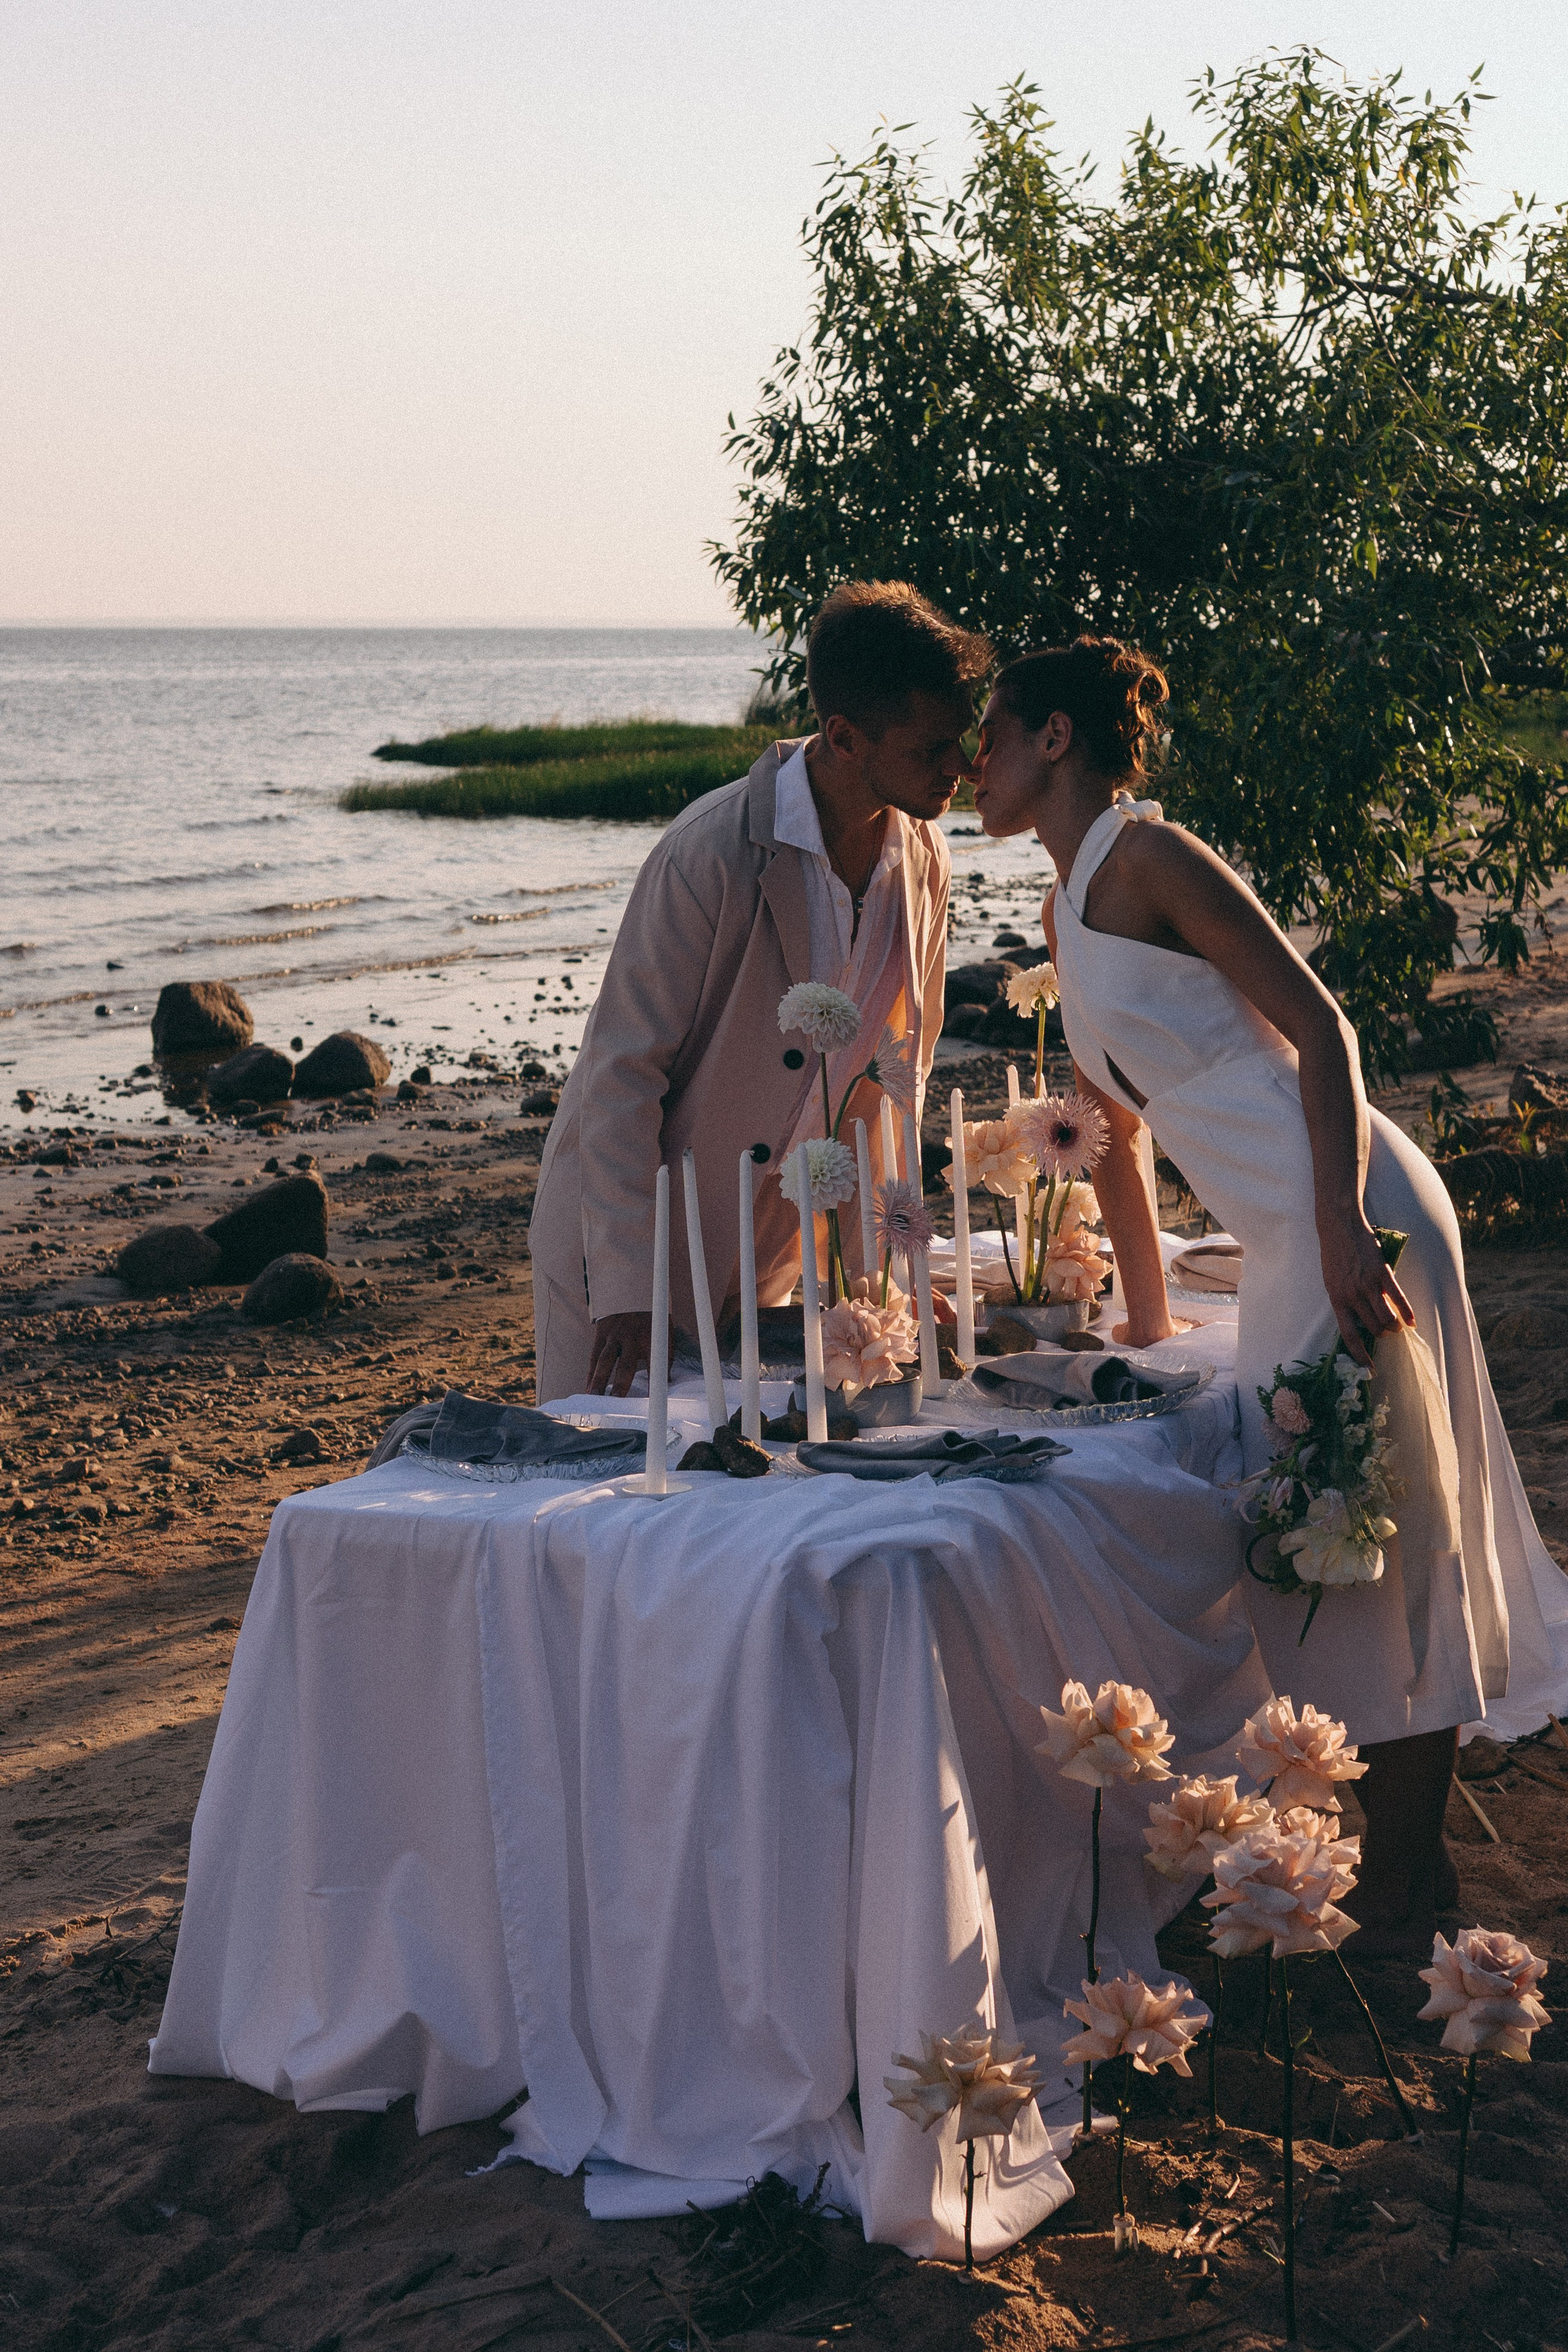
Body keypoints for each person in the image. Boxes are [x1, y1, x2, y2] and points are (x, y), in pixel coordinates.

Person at [972, 633, 1568, 1953]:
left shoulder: (1144, 854)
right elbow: (1114, 1137)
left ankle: (1408, 1894)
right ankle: (1401, 1880)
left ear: (1055, 738)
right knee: (1326, 1539)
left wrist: (1345, 1224)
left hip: (1354, 1211)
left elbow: (1323, 1029)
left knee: (1375, 1542)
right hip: (1296, 1231)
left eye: (994, 734)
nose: (974, 761)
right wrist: (1135, 1323)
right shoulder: (1071, 898)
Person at [527, 582, 991, 1406]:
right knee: (610, 1498)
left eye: (962, 739)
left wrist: (890, 1276)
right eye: (932, 747)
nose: (960, 765)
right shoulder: (708, 855)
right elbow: (619, 1076)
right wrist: (630, 1289)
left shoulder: (926, 861)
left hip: (776, 1259)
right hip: (630, 1254)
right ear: (844, 737)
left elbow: (893, 1089)